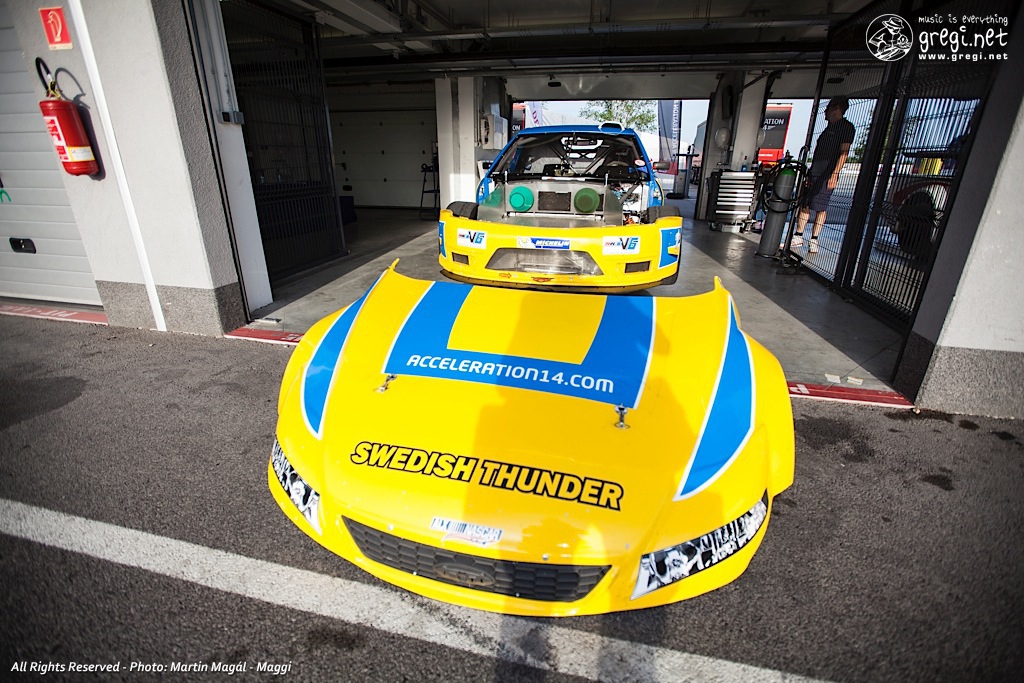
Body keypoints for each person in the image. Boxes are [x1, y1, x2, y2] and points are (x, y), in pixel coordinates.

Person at [791, 97, 855, 253]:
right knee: (805, 203)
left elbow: (844, 153)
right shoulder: (828, 129)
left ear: (837, 109)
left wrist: (834, 174)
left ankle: (814, 239)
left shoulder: (846, 128)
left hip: (827, 174)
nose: (825, 113)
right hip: (815, 171)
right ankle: (798, 236)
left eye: (828, 109)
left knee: (821, 206)